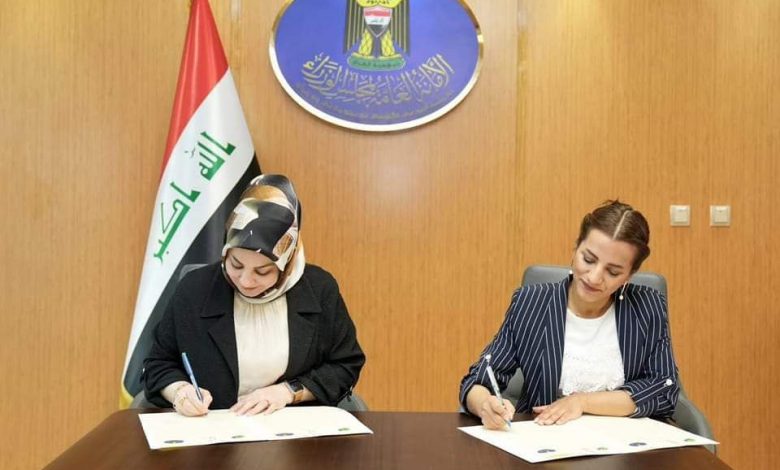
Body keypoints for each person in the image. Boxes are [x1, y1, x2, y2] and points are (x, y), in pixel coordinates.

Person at [143, 174, 365, 417]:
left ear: (286, 263)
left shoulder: (319, 290)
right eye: (236, 265)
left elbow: (345, 365)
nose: (245, 281)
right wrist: (180, 392)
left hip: (295, 431)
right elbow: (158, 364)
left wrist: (288, 391)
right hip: (213, 429)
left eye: (263, 271)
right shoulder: (195, 289)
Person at [460, 200, 679, 429]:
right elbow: (477, 381)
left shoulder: (647, 306)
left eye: (613, 272)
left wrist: (582, 402)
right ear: (575, 249)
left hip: (626, 444)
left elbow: (664, 388)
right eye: (588, 260)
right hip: (545, 440)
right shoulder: (531, 302)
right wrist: (485, 405)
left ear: (629, 276)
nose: (594, 277)